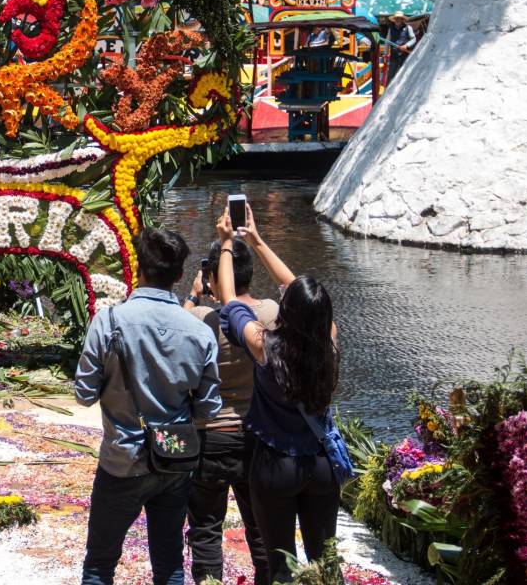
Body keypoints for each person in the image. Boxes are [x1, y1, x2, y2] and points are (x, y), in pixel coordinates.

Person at [75, 227, 222, 585]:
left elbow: (84, 393)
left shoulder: (108, 321)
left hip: (122, 459)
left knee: (100, 563)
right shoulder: (200, 331)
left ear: (139, 269)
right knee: (170, 560)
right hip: (174, 459)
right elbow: (208, 409)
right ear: (179, 276)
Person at [216, 205, 341, 584]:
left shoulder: (265, 345)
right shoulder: (330, 342)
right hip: (321, 465)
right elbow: (295, 291)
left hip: (274, 465)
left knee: (280, 563)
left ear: (286, 312)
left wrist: (227, 244)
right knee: (325, 561)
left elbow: (230, 301)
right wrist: (258, 241)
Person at [182, 238, 277, 585]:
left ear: (211, 276)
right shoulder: (270, 313)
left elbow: (170, 333)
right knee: (262, 527)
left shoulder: (199, 319)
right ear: (249, 272)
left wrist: (193, 295)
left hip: (211, 435)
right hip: (259, 434)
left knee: (206, 528)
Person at [386, 11, 416, 85]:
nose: (398, 20)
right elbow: (387, 41)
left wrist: (406, 45)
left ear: (402, 19)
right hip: (394, 55)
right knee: (391, 75)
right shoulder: (391, 29)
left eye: (399, 19)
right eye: (396, 19)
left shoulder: (408, 28)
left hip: (404, 55)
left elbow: (414, 39)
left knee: (405, 74)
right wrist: (386, 53)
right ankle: (387, 92)